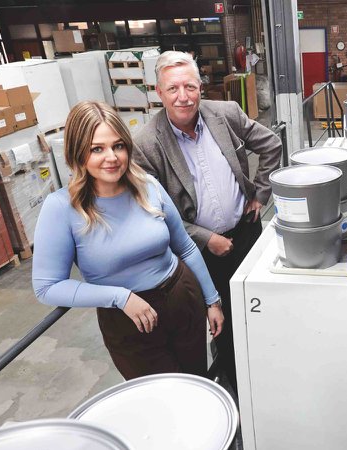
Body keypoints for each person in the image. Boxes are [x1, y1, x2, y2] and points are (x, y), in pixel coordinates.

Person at [32, 101, 224, 381]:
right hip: (129, 319)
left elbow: (185, 247)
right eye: (97, 149)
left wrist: (212, 300)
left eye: (118, 146)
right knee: (162, 397)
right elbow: (47, 287)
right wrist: (119, 297)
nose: (111, 157)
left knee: (197, 382)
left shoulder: (148, 186)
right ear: (77, 152)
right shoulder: (62, 208)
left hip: (182, 299)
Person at [132, 51, 282, 392]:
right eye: (173, 89)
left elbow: (271, 144)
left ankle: (270, 375)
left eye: (190, 86)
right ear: (159, 92)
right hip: (201, 253)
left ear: (200, 87)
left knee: (261, 307)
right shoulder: (147, 145)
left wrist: (261, 193)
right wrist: (204, 237)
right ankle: (240, 388)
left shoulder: (225, 114)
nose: (183, 96)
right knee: (223, 322)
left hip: (247, 233)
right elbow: (154, 212)